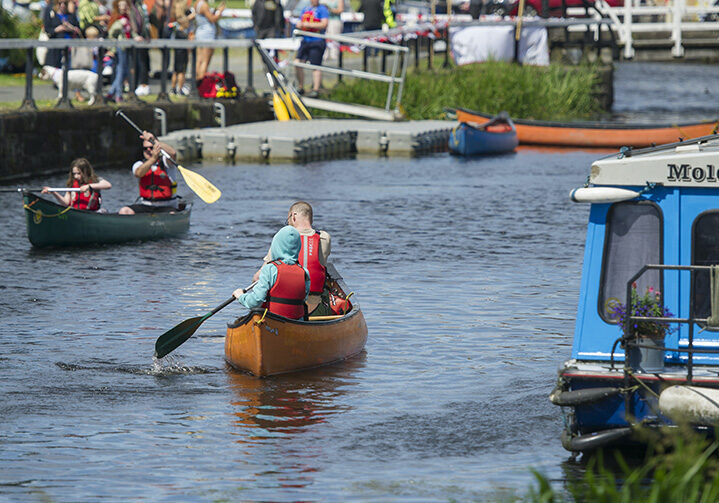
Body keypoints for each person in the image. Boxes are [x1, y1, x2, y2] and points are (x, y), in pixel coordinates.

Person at [252, 201, 331, 314]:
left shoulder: (282, 239)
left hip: (286, 305)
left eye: (287, 219)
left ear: (293, 216)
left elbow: (258, 277)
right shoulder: (324, 237)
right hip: (316, 305)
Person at [234, 226, 310, 320]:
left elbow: (254, 302)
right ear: (298, 246)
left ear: (276, 245)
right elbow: (304, 298)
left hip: (272, 321)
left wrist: (241, 296)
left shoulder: (270, 269)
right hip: (297, 322)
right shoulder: (304, 272)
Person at [118, 130, 183, 214]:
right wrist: (153, 159)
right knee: (124, 211)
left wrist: (154, 141)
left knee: (171, 214)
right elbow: (139, 173)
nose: (148, 150)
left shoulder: (166, 163)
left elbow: (173, 153)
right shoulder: (138, 164)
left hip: (167, 206)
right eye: (145, 148)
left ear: (156, 147)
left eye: (151, 147)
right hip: (146, 206)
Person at [41, 158, 112, 211]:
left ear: (86, 172)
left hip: (91, 213)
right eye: (74, 174)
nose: (76, 176)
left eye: (79, 173)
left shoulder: (95, 180)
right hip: (76, 212)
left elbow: (108, 185)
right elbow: (66, 203)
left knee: (103, 211)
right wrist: (54, 192)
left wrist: (89, 186)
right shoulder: (72, 183)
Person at [294, 0, 328, 98]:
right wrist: (300, 25)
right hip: (305, 40)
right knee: (297, 63)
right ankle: (301, 87)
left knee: (315, 66)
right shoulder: (306, 9)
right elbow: (300, 21)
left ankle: (316, 89)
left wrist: (307, 25)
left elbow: (324, 24)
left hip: (317, 40)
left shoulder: (322, 9)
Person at [194, 0, 225, 81]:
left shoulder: (197, 3)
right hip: (207, 34)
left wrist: (215, 10)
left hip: (200, 33)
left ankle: (197, 81)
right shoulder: (204, 5)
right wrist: (219, 12)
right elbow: (212, 19)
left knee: (199, 60)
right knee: (205, 61)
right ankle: (201, 82)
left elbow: (205, 15)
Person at [169, 0, 195, 95]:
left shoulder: (175, 12)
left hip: (177, 44)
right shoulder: (183, 20)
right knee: (182, 70)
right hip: (182, 44)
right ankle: (180, 89)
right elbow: (186, 22)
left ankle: (173, 89)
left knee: (175, 69)